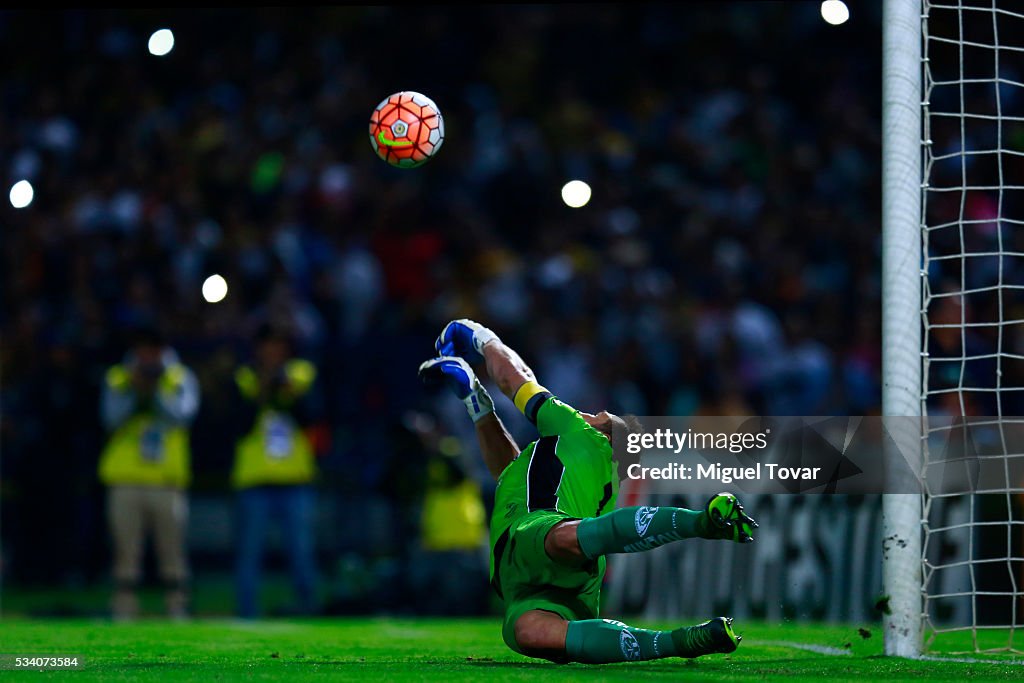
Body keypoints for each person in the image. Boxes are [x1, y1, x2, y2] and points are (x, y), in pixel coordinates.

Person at [419, 319, 758, 664]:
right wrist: (475, 401)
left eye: (600, 414)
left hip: (542, 538)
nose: (590, 412)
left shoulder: (576, 429)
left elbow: (513, 376)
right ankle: (686, 639)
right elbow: (508, 473)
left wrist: (481, 338)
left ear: (608, 433)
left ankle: (701, 524)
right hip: (548, 579)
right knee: (529, 632)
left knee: (559, 538)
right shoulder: (585, 475)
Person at [98, 326, 200, 620]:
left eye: (152, 349)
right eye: (142, 349)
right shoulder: (119, 377)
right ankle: (123, 610)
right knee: (125, 553)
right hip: (126, 479)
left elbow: (182, 417)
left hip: (166, 481)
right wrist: (134, 391)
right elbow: (110, 418)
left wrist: (153, 393)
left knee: (172, 553)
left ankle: (177, 608)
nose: (147, 356)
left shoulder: (180, 377)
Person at [231, 324, 321, 618]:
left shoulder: (301, 374)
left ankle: (307, 607)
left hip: (295, 479)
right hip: (254, 479)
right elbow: (236, 427)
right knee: (249, 553)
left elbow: (313, 419)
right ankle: (247, 613)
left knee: (301, 551)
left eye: (278, 345)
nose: (272, 352)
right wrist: (262, 391)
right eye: (267, 345)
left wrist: (288, 394)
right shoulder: (245, 378)